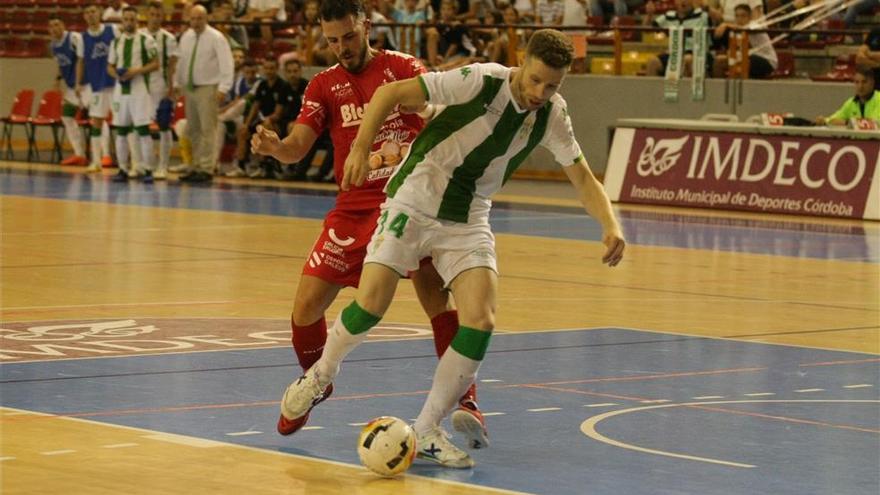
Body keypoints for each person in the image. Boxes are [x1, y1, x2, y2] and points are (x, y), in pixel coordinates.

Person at [277, 29, 625, 468]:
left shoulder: (553, 115)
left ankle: (426, 428)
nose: (541, 92)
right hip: (415, 197)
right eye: (536, 80)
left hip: (468, 217)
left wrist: (610, 225)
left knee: (480, 319)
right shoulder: (480, 81)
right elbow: (389, 93)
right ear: (521, 60)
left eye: (552, 85)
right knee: (370, 305)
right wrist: (361, 148)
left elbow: (582, 177)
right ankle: (321, 374)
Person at [250, 0, 487, 445]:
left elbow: (439, 114)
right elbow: (298, 147)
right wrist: (274, 148)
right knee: (305, 308)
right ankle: (316, 381)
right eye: (332, 40)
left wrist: (429, 121)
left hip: (411, 203)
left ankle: (466, 400)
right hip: (354, 210)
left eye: (349, 37)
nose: (341, 47)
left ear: (366, 26)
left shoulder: (402, 68)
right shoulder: (323, 85)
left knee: (439, 302)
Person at [175, 5, 235, 184]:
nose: (195, 22)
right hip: (190, 88)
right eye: (193, 18)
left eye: (199, 18)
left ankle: (207, 168)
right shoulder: (186, 37)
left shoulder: (216, 37)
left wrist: (224, 87)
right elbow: (181, 63)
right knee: (192, 129)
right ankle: (194, 166)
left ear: (206, 18)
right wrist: (178, 84)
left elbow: (227, 62)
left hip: (208, 87)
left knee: (207, 129)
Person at [107, 7, 159, 183]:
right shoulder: (116, 42)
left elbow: (156, 64)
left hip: (139, 91)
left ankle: (148, 169)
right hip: (121, 92)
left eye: (132, 19)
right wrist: (118, 75)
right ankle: (122, 168)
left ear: (137, 21)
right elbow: (110, 67)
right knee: (121, 131)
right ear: (122, 21)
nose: (129, 22)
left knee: (143, 130)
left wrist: (135, 71)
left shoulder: (146, 40)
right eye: (126, 19)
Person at [79, 4, 118, 172]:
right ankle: (96, 161)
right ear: (84, 16)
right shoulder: (82, 38)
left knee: (125, 122)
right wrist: (79, 83)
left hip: (116, 83)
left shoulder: (113, 30)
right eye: (87, 12)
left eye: (93, 11)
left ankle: (131, 162)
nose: (91, 15)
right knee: (96, 122)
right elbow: (81, 61)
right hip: (97, 84)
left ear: (100, 13)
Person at [143, 1, 179, 180]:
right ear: (147, 15)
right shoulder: (139, 35)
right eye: (152, 15)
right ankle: (146, 164)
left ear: (162, 17)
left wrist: (172, 88)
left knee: (164, 126)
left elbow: (173, 64)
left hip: (162, 88)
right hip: (142, 89)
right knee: (143, 128)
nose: (155, 18)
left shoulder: (168, 38)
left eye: (159, 15)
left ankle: (163, 166)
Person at [242, 58, 295, 178]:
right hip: (262, 121)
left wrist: (267, 120)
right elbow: (255, 106)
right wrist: (246, 124)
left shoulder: (283, 86)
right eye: (266, 68)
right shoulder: (262, 84)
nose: (269, 71)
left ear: (277, 69)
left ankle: (265, 165)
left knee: (264, 129)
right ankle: (240, 166)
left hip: (278, 122)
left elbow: (278, 113)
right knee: (242, 130)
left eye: (272, 68)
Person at [49, 15, 88, 167]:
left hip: (86, 84)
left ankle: (104, 156)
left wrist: (79, 82)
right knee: (66, 116)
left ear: (64, 25)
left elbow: (83, 60)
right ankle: (79, 154)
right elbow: (61, 63)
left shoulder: (74, 38)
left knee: (97, 118)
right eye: (52, 26)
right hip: (72, 87)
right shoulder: (53, 45)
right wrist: (58, 79)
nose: (55, 28)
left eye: (57, 24)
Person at [644, 0, 711, 77]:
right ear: (675, 2)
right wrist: (649, 15)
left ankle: (687, 89)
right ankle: (651, 89)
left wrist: (706, 7)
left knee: (688, 59)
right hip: (674, 55)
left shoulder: (702, 16)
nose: (683, 2)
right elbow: (646, 30)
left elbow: (719, 21)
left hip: (697, 54)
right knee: (652, 62)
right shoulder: (668, 16)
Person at [712, 3, 776, 79]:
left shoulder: (755, 25)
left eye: (743, 16)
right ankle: (719, 89)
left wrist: (725, 24)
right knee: (719, 61)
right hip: (748, 57)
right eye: (737, 16)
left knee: (741, 62)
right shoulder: (736, 30)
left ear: (749, 17)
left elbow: (745, 29)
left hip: (766, 60)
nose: (739, 19)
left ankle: (743, 89)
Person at [815, 66, 879, 126]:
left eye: (864, 82)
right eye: (857, 82)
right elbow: (834, 118)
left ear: (872, 83)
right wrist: (824, 120)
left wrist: (847, 123)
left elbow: (875, 123)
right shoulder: (851, 102)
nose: (860, 86)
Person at [855, 26, 880, 92]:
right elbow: (859, 58)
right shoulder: (875, 31)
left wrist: (869, 54)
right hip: (872, 81)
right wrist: (877, 64)